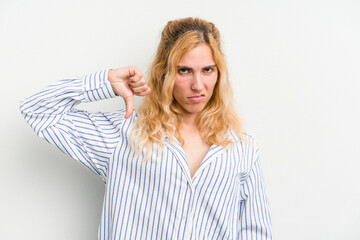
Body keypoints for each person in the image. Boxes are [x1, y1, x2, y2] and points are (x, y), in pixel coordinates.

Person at [20, 17, 272, 239]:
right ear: (164, 74)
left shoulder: (241, 148)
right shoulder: (124, 134)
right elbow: (38, 111)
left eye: (207, 70)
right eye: (184, 70)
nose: (198, 85)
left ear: (219, 74)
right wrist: (106, 81)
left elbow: (256, 232)